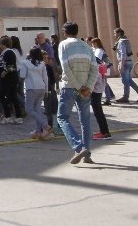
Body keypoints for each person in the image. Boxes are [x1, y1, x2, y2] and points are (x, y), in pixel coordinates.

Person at [56, 22, 95, 164]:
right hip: (85, 88)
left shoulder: (63, 45)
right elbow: (95, 69)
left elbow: (65, 68)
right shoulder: (87, 46)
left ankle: (78, 147)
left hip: (69, 86)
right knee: (85, 120)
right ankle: (86, 152)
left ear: (65, 32)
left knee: (62, 117)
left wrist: (78, 86)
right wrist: (88, 87)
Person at [112, 28, 138, 103]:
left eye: (115, 33)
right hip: (129, 62)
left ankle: (125, 97)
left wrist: (121, 65)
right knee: (129, 80)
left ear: (119, 33)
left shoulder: (121, 42)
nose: (114, 35)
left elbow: (123, 54)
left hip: (125, 63)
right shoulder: (126, 40)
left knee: (125, 81)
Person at [24, 47, 51, 140]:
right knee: (37, 109)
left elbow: (22, 75)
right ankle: (38, 131)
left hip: (32, 88)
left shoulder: (26, 63)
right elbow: (45, 77)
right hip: (42, 87)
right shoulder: (42, 63)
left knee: (29, 109)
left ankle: (45, 126)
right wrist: (46, 90)